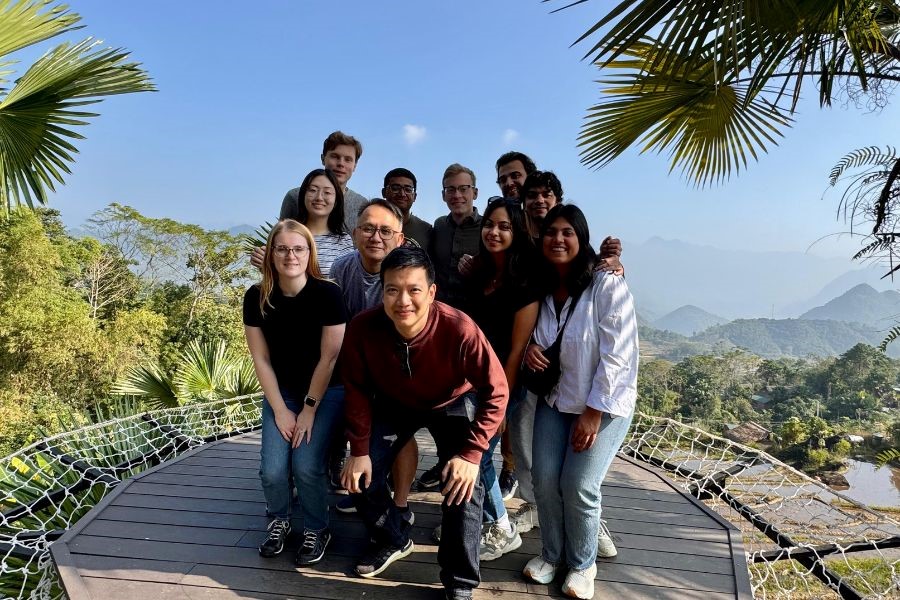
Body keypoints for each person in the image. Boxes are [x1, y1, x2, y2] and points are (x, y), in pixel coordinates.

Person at [340, 246, 508, 600]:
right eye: (392, 289)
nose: (403, 301)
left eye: (414, 289)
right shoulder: (362, 329)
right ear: (381, 291)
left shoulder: (459, 328)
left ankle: (459, 582)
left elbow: (497, 390)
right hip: (393, 402)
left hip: (450, 401)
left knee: (465, 484)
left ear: (431, 292)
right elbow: (355, 389)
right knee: (359, 475)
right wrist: (358, 450)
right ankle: (392, 537)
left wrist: (472, 454)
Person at [520, 204, 638, 600]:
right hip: (557, 399)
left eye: (567, 232)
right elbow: (529, 333)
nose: (558, 239)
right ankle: (552, 554)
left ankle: (583, 563)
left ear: (581, 239)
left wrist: (593, 413)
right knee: (544, 479)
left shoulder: (606, 285)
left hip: (602, 405)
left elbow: (619, 355)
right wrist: (530, 348)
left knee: (579, 484)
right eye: (551, 232)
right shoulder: (540, 287)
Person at [243, 219, 348, 566]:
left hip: (326, 392)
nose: (291, 256)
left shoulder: (328, 294)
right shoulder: (256, 297)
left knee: (305, 466)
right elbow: (260, 358)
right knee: (273, 470)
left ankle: (317, 527)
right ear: (271, 254)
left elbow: (329, 358)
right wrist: (280, 409)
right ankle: (280, 519)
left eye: (298, 248)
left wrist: (308, 409)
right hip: (283, 392)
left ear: (309, 253)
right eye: (283, 249)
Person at [329, 199, 419, 524]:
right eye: (368, 228)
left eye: (385, 231)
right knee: (356, 428)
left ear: (400, 238)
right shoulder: (341, 269)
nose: (375, 237)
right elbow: (335, 324)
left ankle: (401, 503)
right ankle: (366, 492)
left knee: (402, 434)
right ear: (355, 233)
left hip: (401, 367)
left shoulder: (408, 271)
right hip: (355, 365)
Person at [462, 198, 540, 561]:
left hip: (502, 385)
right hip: (470, 382)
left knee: (477, 454)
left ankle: (501, 526)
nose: (494, 232)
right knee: (471, 452)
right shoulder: (479, 273)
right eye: (489, 224)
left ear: (517, 232)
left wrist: (501, 402)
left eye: (504, 226)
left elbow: (516, 351)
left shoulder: (524, 283)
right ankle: (476, 519)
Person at [252, 168, 355, 276]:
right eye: (313, 190)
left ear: (336, 200)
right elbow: (276, 279)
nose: (319, 197)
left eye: (327, 192)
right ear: (303, 195)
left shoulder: (344, 241)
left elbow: (348, 281)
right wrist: (264, 264)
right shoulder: (284, 236)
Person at [280, 131, 368, 233]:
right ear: (323, 159)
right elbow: (280, 236)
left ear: (355, 166)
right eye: (335, 156)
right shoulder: (294, 197)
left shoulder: (361, 205)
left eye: (348, 159)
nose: (341, 163)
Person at [381, 168, 433, 248]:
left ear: (414, 196)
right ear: (384, 192)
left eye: (408, 189)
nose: (402, 194)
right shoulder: (372, 224)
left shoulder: (426, 230)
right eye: (395, 188)